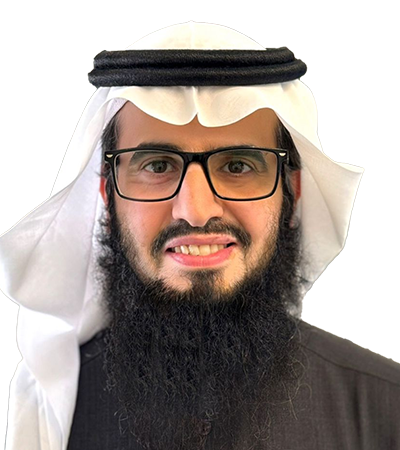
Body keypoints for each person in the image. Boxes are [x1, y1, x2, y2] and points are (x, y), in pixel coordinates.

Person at [1, 21, 399, 450]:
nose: (195, 211)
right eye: (157, 166)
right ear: (106, 195)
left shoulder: (384, 409)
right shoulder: (41, 422)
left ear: (292, 192)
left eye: (238, 166)